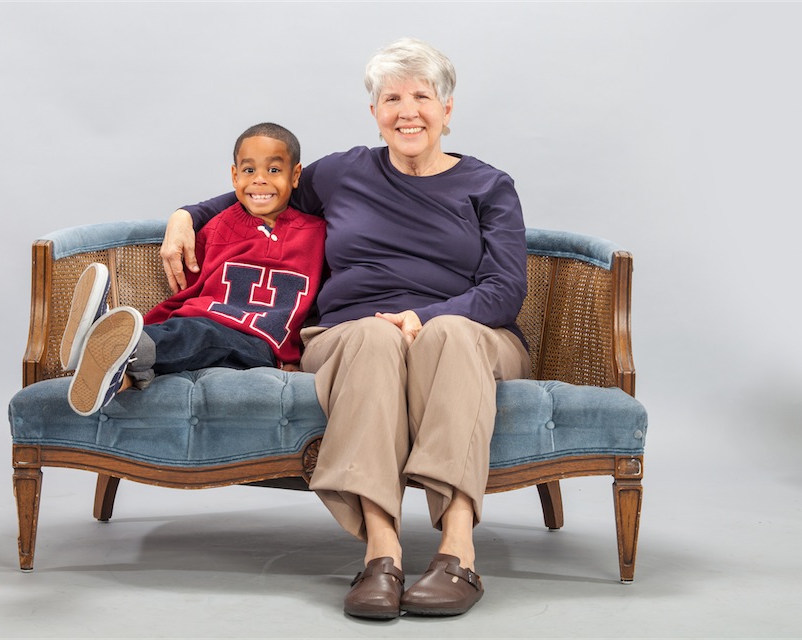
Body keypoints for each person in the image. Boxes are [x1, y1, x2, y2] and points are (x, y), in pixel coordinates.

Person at [161, 38, 531, 619]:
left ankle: (457, 552)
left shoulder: (488, 186)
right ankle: (381, 553)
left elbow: (505, 291)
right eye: (392, 98)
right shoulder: (343, 173)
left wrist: (425, 316)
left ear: (447, 110)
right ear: (375, 113)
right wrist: (187, 215)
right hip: (351, 332)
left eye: (421, 96)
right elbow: (264, 190)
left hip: (472, 334)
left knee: (447, 334)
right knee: (371, 334)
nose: (407, 111)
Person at [61, 122, 326, 417]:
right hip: (199, 328)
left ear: (296, 175)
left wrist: (301, 355)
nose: (260, 180)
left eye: (274, 170)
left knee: (202, 335)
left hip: (262, 346)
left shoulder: (319, 235)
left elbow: (327, 302)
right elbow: (188, 286)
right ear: (234, 175)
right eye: (249, 170)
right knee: (189, 336)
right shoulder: (218, 226)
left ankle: (110, 341)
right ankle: (113, 376)